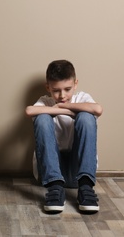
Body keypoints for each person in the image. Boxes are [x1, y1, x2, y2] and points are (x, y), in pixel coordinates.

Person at [25, 60, 103, 213]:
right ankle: (55, 188)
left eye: (67, 89)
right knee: (42, 118)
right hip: (48, 173)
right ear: (48, 87)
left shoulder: (82, 98)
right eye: (56, 90)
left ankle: (86, 187)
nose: (62, 95)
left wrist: (62, 106)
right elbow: (29, 111)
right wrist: (67, 111)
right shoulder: (45, 101)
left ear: (75, 84)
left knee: (87, 117)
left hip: (78, 173)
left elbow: (97, 109)